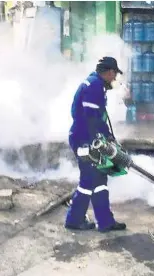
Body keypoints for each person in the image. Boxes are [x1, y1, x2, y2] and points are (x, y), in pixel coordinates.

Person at [65, 57, 126, 232]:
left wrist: (108, 137)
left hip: (87, 137)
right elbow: (91, 118)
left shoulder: (96, 84)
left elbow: (99, 119)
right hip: (83, 139)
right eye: (114, 75)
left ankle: (105, 222)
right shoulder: (94, 86)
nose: (114, 79)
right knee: (88, 181)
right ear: (108, 72)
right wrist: (99, 142)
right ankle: (74, 220)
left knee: (99, 179)